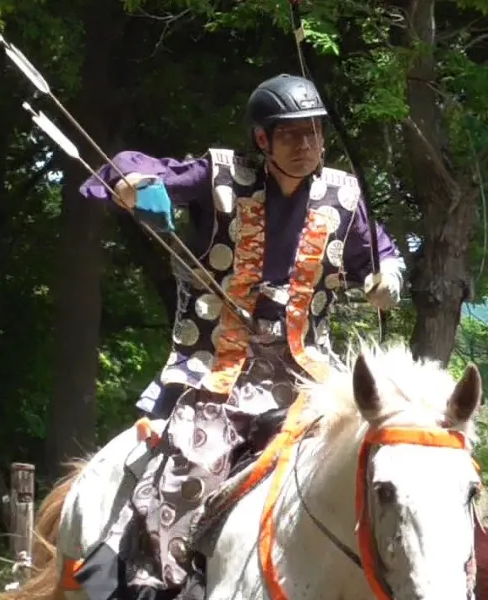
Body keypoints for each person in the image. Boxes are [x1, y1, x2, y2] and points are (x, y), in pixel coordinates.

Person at [75, 73, 405, 598]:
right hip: (217, 373)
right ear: (261, 139)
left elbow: (381, 251)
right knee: (189, 470)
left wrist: (388, 276)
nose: (306, 146)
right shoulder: (219, 177)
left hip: (309, 381)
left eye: (314, 132)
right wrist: (135, 187)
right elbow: (135, 169)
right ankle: (154, 583)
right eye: (291, 135)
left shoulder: (344, 195)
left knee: (376, 464)